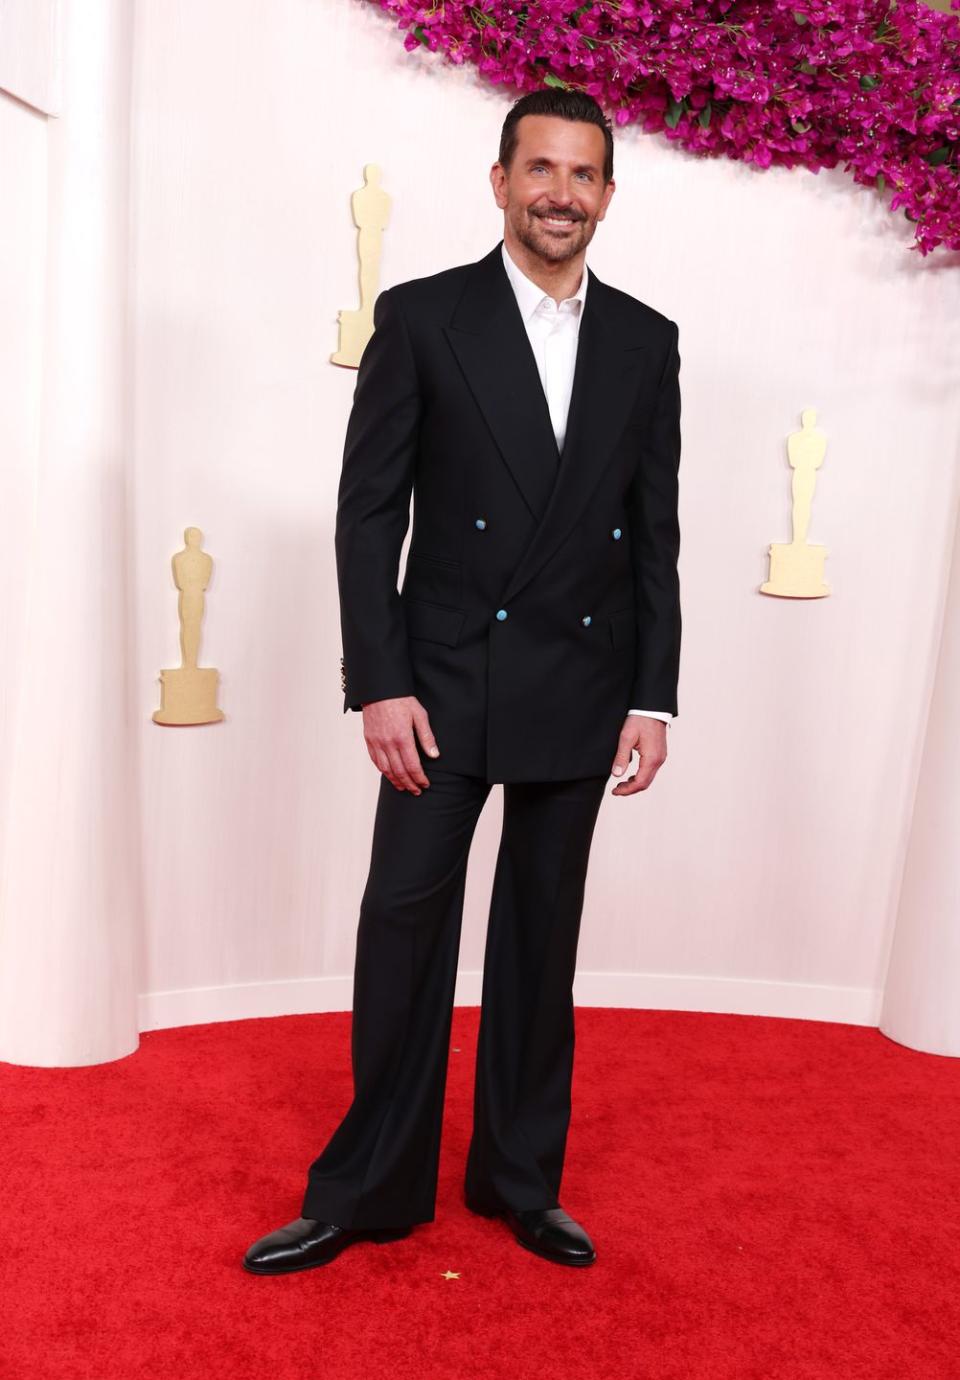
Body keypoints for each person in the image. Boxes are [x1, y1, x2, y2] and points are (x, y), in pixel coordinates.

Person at [244, 87, 681, 1276]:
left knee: (544, 940)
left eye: (583, 175)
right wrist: (378, 681)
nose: (560, 193)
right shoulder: (427, 318)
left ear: (605, 195)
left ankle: (520, 1181)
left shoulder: (647, 340)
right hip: (436, 690)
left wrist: (654, 694)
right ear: (500, 183)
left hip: (582, 686)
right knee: (404, 931)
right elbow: (367, 513)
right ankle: (366, 1188)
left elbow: (654, 535)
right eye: (540, 169)